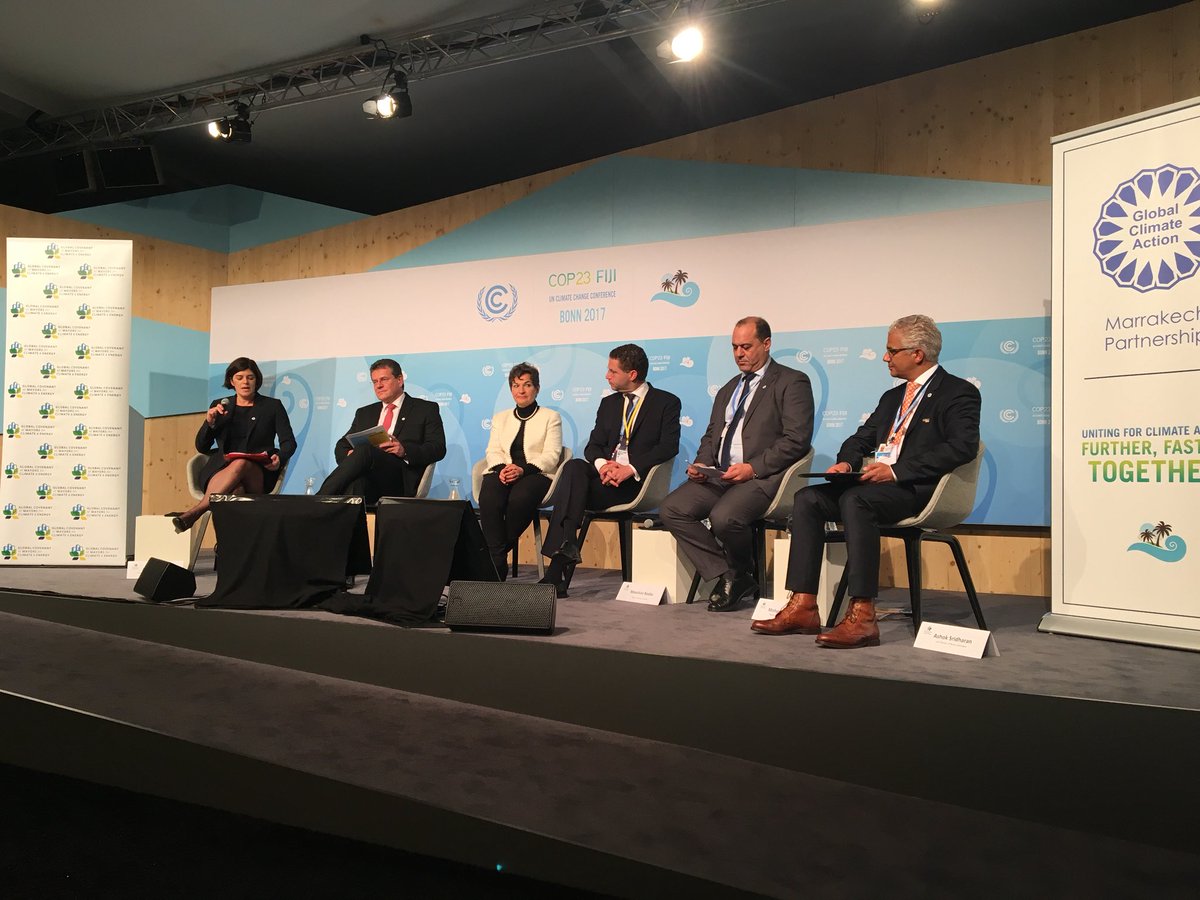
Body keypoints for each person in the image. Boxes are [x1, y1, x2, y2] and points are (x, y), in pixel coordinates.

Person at [753, 314, 980, 648]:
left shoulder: (958, 393)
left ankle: (863, 615)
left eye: (892, 351)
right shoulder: (893, 398)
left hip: (918, 489)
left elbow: (961, 447)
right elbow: (861, 438)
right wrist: (847, 462)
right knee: (808, 499)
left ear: (917, 354)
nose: (885, 357)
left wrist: (896, 471)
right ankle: (803, 605)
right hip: (880, 489)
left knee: (856, 500)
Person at [660, 316, 813, 612]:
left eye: (746, 346)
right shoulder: (728, 388)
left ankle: (738, 571)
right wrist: (703, 463)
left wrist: (752, 468)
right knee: (672, 508)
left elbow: (797, 439)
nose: (739, 353)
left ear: (766, 344)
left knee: (724, 517)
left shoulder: (791, 381)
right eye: (734, 347)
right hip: (720, 476)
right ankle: (730, 574)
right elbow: (711, 434)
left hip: (761, 477)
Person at [538, 344, 681, 597]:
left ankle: (557, 568)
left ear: (632, 374)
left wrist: (629, 469)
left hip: (635, 483)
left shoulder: (666, 403)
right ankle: (566, 548)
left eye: (613, 371)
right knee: (573, 467)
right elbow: (593, 446)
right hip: (604, 478)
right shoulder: (609, 403)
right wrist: (603, 466)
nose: (607, 376)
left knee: (572, 492)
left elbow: (668, 447)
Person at [172, 356, 296, 532]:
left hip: (258, 473)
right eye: (240, 377)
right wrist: (210, 423)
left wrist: (279, 458)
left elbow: (289, 442)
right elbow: (202, 447)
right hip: (221, 471)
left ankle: (196, 512)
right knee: (236, 491)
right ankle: (231, 543)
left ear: (256, 381)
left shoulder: (272, 406)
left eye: (250, 377)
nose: (245, 382)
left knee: (241, 462)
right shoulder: (221, 406)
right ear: (232, 381)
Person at [477, 363, 563, 579]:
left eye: (527, 385)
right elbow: (492, 450)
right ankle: (497, 559)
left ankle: (493, 558)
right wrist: (502, 469)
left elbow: (552, 455)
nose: (521, 391)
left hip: (536, 474)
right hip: (503, 471)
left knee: (520, 498)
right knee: (489, 497)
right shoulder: (501, 418)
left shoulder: (551, 417)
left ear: (537, 388)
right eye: (516, 385)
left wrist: (522, 470)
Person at [318, 359, 446, 502]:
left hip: (400, 479)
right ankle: (331, 512)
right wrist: (352, 455)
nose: (378, 385)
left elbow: (438, 448)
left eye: (384, 379)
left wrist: (404, 451)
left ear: (399, 380)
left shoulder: (424, 409)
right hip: (369, 478)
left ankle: (319, 499)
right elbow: (342, 446)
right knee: (356, 483)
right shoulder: (365, 413)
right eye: (375, 381)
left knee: (365, 450)